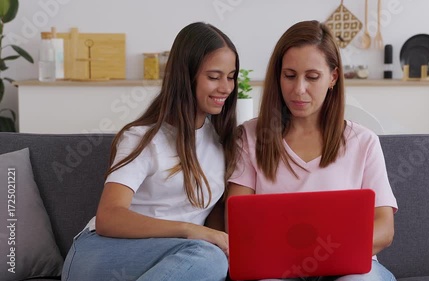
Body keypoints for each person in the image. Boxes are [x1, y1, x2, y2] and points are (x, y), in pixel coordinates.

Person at [62, 22, 239, 281]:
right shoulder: (144, 138)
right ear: (185, 76)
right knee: (207, 257)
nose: (226, 87)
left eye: (231, 76)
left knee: (214, 260)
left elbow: (210, 212)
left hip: (175, 259)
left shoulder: (220, 140)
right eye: (214, 77)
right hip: (101, 252)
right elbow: (109, 217)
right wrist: (191, 231)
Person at [226, 20, 398, 281]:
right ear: (278, 76)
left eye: (312, 77)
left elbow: (384, 229)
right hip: (276, 271)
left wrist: (325, 254)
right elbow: (237, 225)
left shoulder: (364, 142)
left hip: (350, 269)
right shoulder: (249, 137)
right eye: (290, 75)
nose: (299, 89)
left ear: (333, 77)